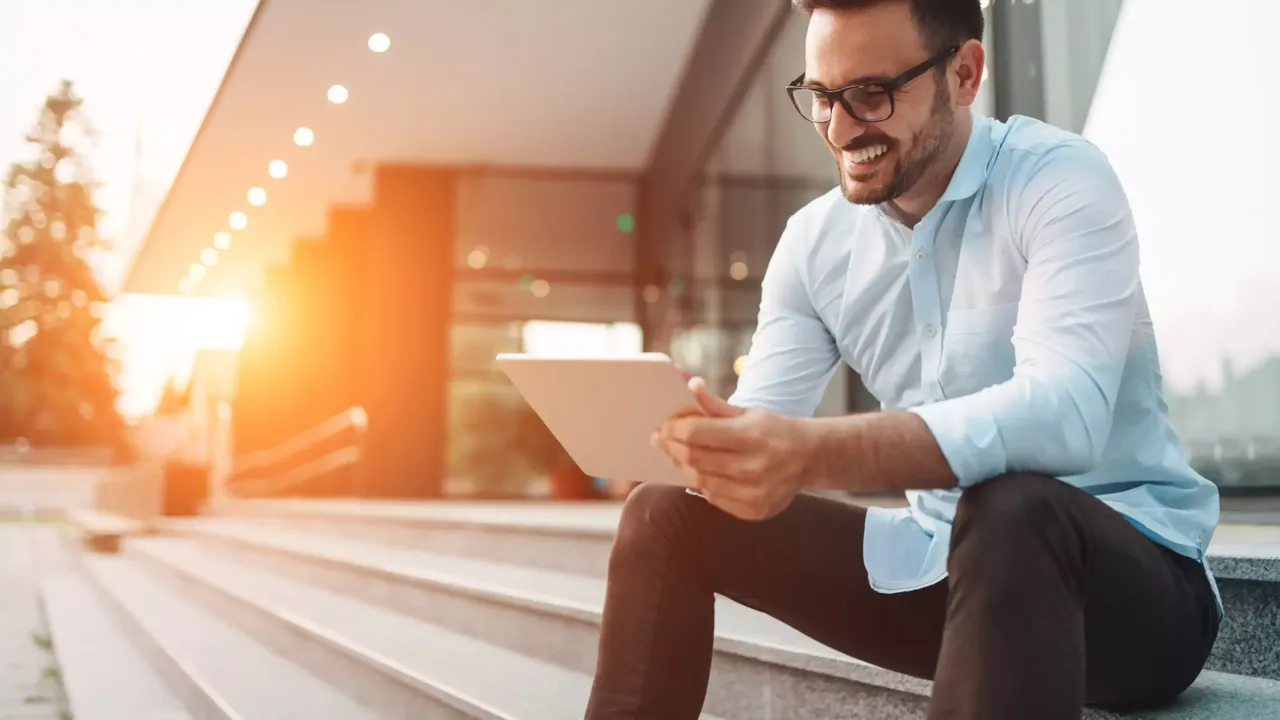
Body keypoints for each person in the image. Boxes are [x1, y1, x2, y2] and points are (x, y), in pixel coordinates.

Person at [584, 1, 1222, 718]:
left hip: (1132, 592)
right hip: (938, 570)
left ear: (964, 73)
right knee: (664, 513)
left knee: (1011, 505)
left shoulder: (1057, 180)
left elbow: (1064, 416)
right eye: (821, 97)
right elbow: (762, 431)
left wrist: (808, 453)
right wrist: (703, 444)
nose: (839, 126)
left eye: (870, 94)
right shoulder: (814, 245)